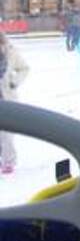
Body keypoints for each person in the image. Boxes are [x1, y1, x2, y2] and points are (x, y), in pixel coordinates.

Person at [0, 31, 30, 175]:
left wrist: (14, 81)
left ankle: (8, 161)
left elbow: (24, 68)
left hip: (6, 97)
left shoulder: (11, 53)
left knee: (6, 134)